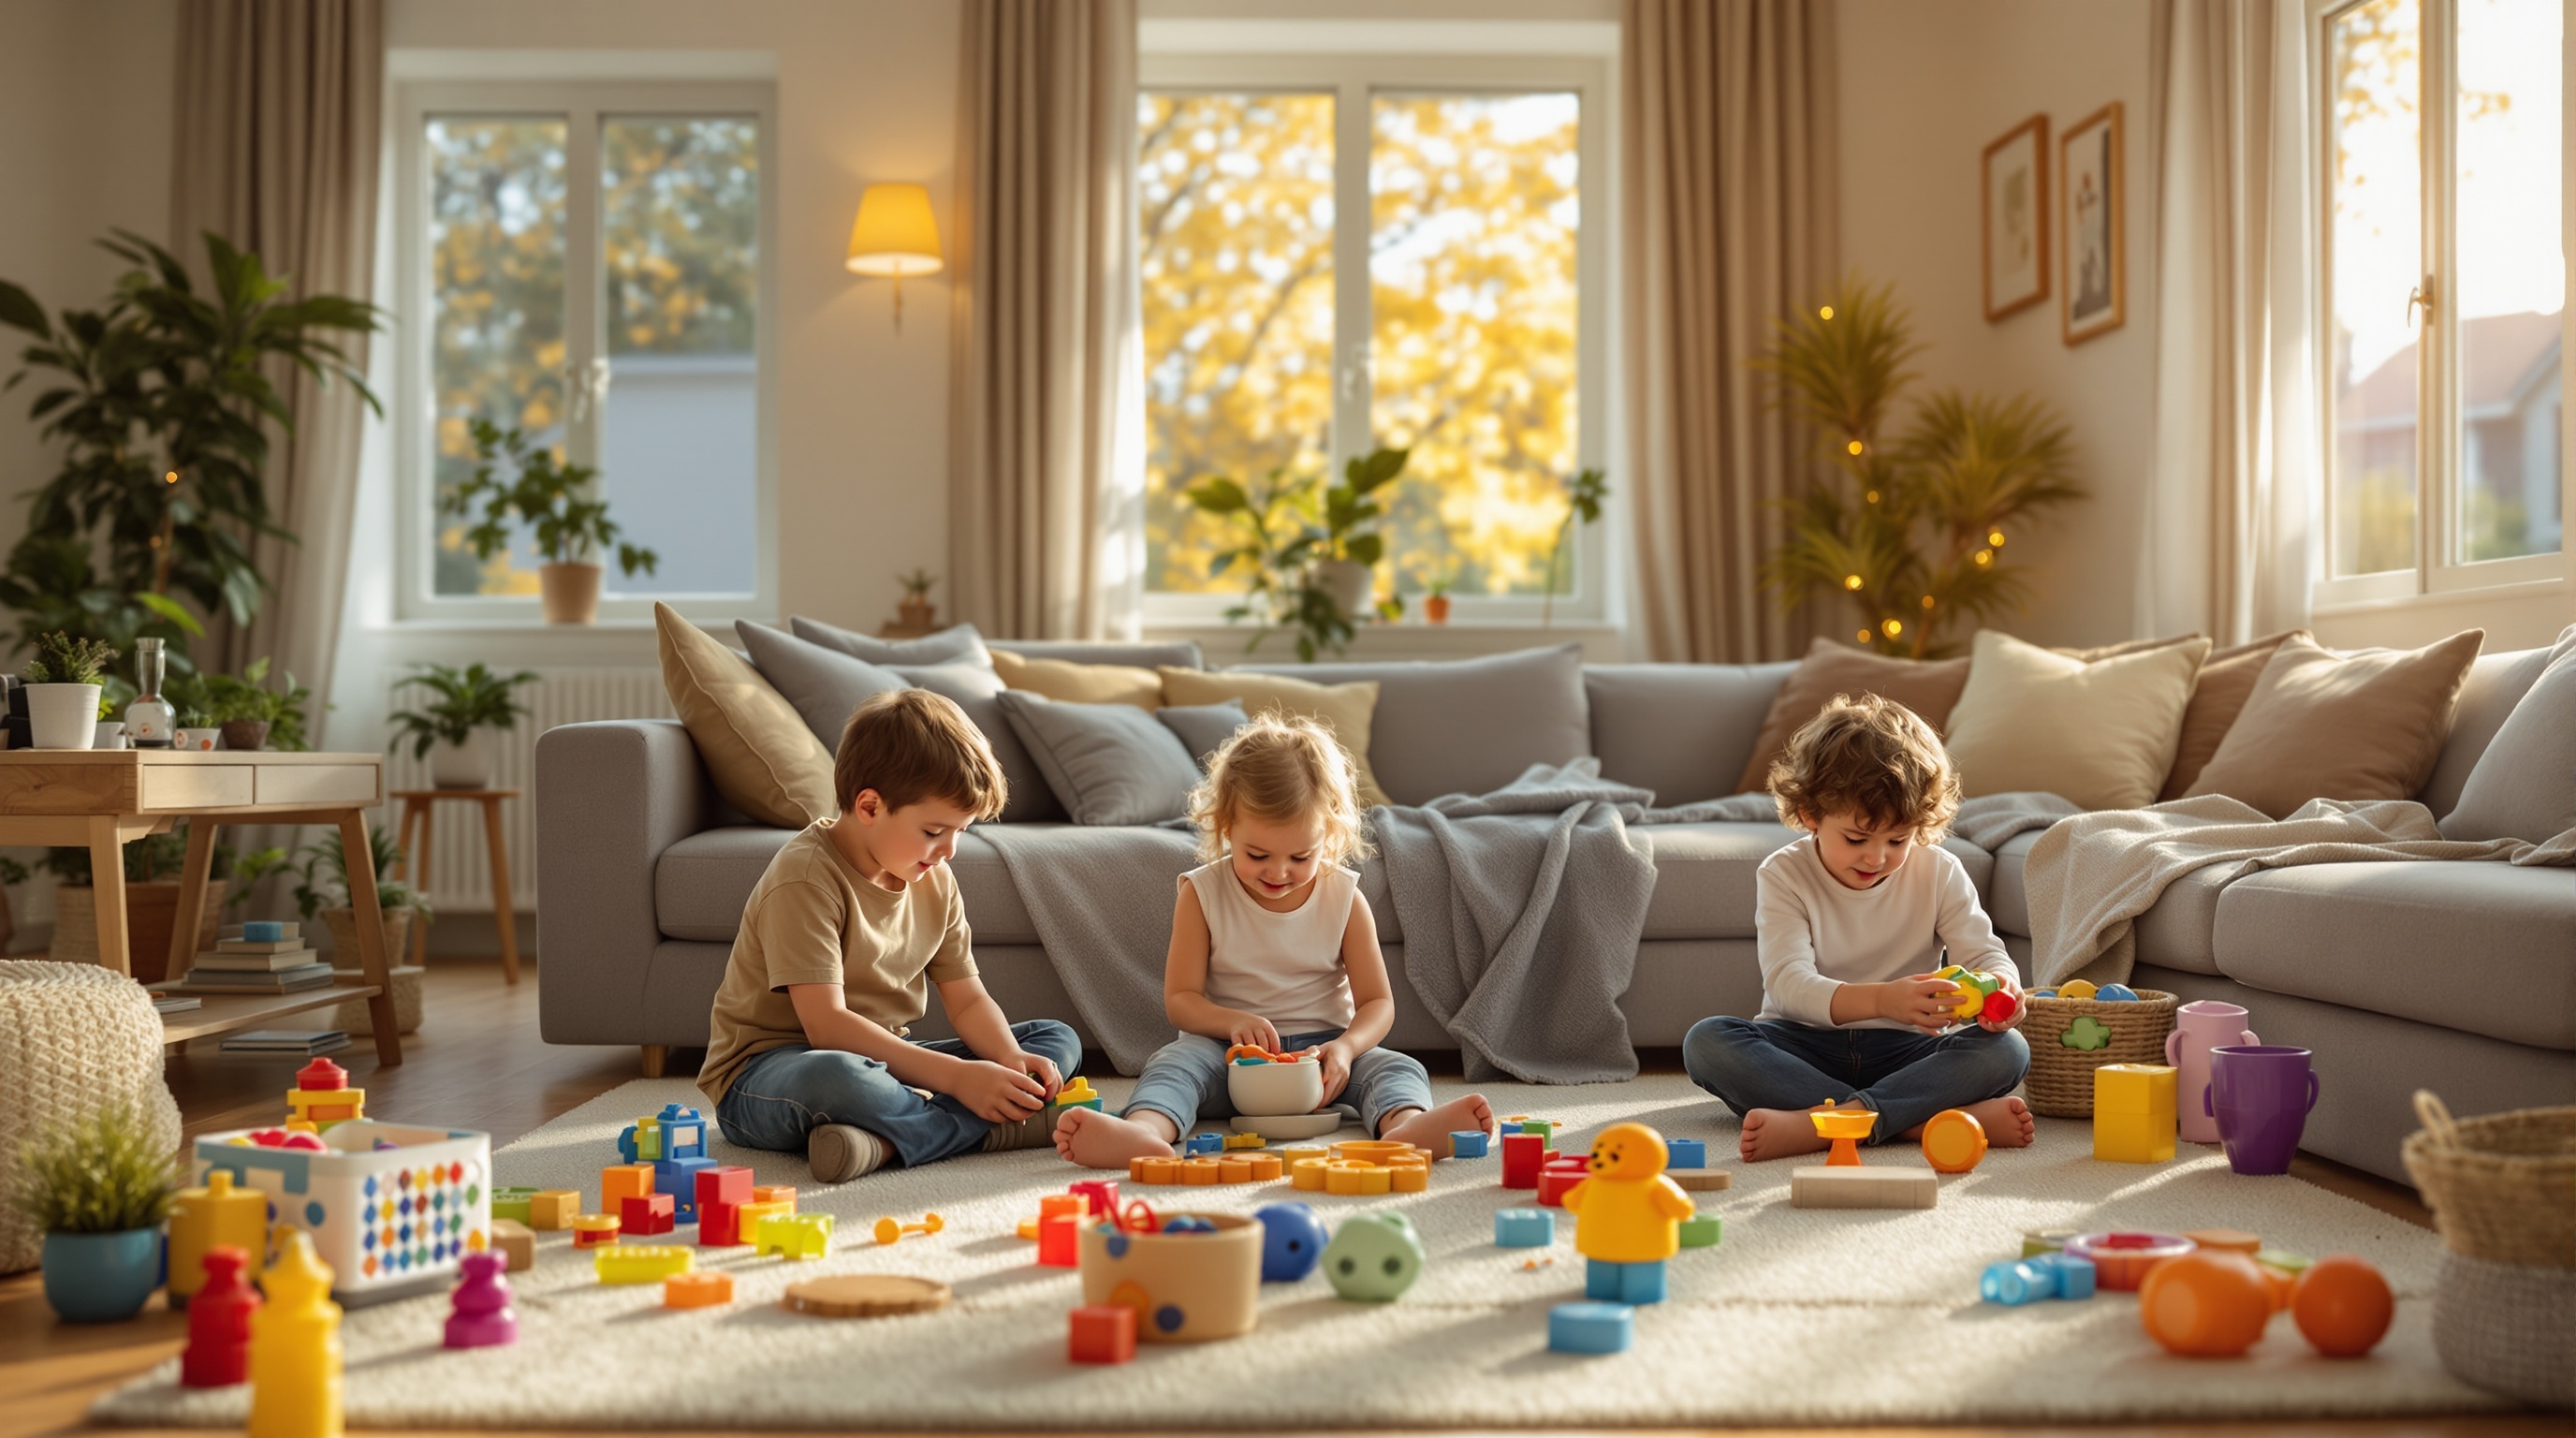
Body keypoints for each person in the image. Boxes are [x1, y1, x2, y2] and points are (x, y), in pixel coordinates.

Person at [1055, 713, 1494, 1167]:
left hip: (1323, 1059)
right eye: (1258, 854)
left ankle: (1404, 1127)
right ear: (1226, 827)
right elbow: (1180, 1000)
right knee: (1173, 1065)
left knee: (1395, 1067)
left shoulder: (1345, 897)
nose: (1279, 872)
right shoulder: (1202, 893)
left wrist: (1345, 1048)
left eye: (1301, 856)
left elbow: (1378, 1003)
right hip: (1226, 1056)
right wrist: (1229, 1022)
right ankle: (1145, 1132)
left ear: (1330, 833)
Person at [697, 688, 1080, 1183]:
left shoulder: (934, 878)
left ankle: (878, 1143)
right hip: (771, 1075)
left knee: (1054, 1039)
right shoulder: (805, 878)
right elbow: (828, 1028)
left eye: (960, 832)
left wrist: (1008, 1061)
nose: (949, 851)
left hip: (885, 1062)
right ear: (870, 806)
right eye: (934, 831)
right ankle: (998, 1128)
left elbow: (967, 1001)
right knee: (838, 1076)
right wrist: (959, 1079)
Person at [1683, 693, 2035, 1163]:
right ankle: (1917, 1121)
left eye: (1897, 839)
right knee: (1709, 1042)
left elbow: (1985, 954)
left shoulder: (1940, 871)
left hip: (1907, 1050)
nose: (1877, 857)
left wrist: (2003, 989)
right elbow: (1788, 985)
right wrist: (1882, 999)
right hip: (1803, 1043)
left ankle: (1831, 1122)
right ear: (1810, 815)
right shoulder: (1783, 873)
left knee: (2007, 1049)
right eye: (1856, 839)